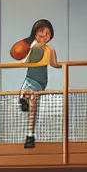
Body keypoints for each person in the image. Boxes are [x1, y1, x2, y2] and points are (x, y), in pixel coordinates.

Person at [14, 19, 62, 149]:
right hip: (31, 79)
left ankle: (30, 135)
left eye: (47, 33)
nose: (44, 35)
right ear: (35, 33)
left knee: (33, 108)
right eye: (41, 31)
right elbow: (23, 60)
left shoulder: (50, 50)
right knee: (27, 96)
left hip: (41, 82)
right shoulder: (31, 48)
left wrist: (63, 66)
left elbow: (53, 64)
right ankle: (23, 100)